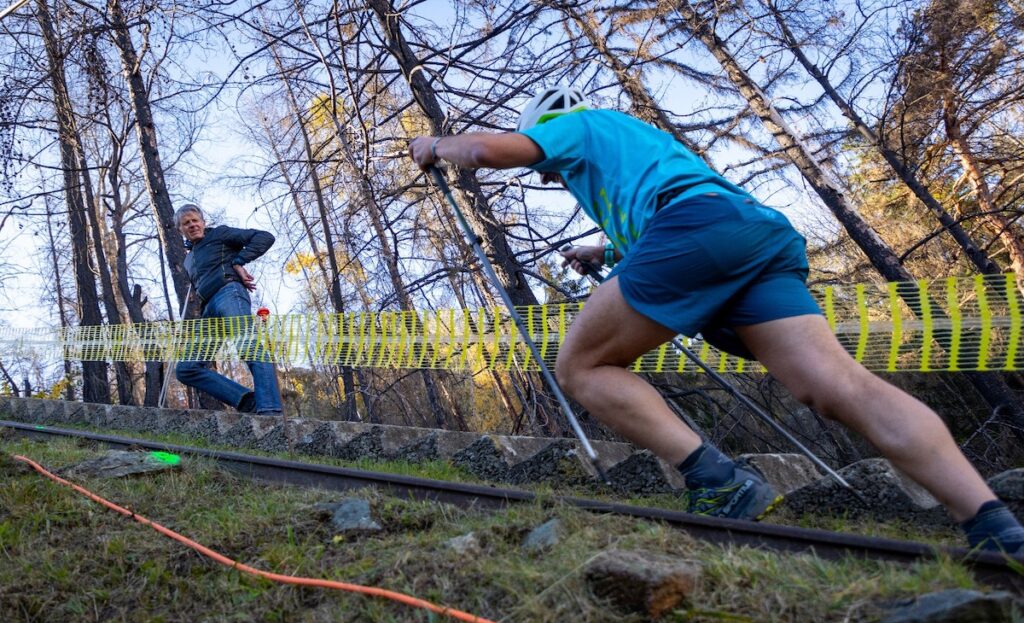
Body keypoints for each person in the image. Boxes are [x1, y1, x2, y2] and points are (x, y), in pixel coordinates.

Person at [408, 86, 1024, 553]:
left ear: (550, 121)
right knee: (837, 385)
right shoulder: (634, 144)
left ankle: (719, 479)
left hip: (694, 228)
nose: (546, 172)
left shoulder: (579, 125)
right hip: (747, 233)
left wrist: (434, 147)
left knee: (582, 365)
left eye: (545, 157)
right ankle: (989, 519)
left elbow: (487, 150)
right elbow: (673, 209)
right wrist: (607, 252)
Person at [174, 203, 284, 416]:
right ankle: (247, 401)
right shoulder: (188, 260)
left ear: (203, 223)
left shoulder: (219, 234)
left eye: (195, 220)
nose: (192, 225)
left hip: (229, 293)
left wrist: (239, 261)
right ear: (180, 229)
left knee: (247, 345)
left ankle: (270, 410)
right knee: (186, 368)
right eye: (186, 223)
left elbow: (264, 237)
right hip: (209, 310)